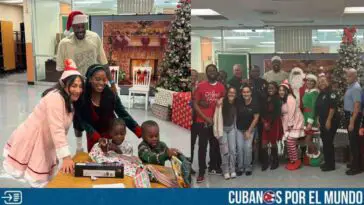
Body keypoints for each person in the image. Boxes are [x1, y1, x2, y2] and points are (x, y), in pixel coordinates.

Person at [2, 59, 84, 187]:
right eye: (74, 86)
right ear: (64, 85)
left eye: (80, 86)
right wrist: (66, 157)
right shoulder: (55, 98)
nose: (78, 90)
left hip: (46, 139)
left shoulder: (68, 100)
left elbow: (61, 129)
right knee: (36, 177)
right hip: (34, 138)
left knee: (40, 177)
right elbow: (57, 129)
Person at [73, 64, 142, 152]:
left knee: (112, 157)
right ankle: (79, 149)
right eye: (97, 79)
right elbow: (82, 120)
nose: (101, 83)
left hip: (109, 131)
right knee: (95, 159)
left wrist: (139, 130)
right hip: (92, 132)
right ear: (90, 79)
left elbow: (122, 113)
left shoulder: (111, 94)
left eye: (104, 80)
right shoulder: (82, 96)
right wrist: (96, 137)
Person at [56, 11, 117, 94]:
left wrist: (112, 84)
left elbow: (104, 64)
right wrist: (64, 90)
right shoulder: (64, 44)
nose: (80, 30)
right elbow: (60, 70)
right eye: (77, 27)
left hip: (92, 86)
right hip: (75, 88)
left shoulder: (94, 38)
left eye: (82, 27)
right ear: (72, 27)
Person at [194, 64, 225, 183]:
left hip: (216, 122)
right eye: (209, 71)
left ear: (217, 72)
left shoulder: (221, 87)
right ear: (206, 73)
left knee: (215, 146)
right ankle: (201, 171)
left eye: (214, 70)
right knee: (202, 147)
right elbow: (195, 104)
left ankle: (213, 167)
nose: (212, 72)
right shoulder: (201, 86)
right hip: (202, 122)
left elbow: (224, 102)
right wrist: (206, 119)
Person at [315, 76, 340, 171]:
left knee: (328, 142)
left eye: (323, 81)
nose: (321, 83)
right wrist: (318, 120)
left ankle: (331, 165)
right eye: (320, 81)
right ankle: (327, 162)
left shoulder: (331, 93)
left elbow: (332, 107)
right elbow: (318, 108)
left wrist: (328, 120)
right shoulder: (320, 94)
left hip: (331, 121)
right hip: (322, 121)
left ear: (327, 82)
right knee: (325, 142)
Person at [279, 80, 305, 171]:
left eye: (283, 90)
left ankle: (296, 161)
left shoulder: (290, 98)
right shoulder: (283, 99)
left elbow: (291, 112)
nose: (281, 91)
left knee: (290, 141)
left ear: (287, 90)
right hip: (288, 122)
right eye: (280, 90)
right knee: (289, 142)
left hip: (295, 121)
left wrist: (290, 124)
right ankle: (292, 160)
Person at [236, 85, 260, 176]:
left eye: (247, 92)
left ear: (250, 93)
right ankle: (240, 167)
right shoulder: (239, 101)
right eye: (244, 92)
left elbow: (256, 118)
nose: (246, 94)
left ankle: (248, 167)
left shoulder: (255, 103)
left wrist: (249, 131)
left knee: (248, 148)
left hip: (250, 129)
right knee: (240, 148)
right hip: (239, 129)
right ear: (242, 93)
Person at [343, 68, 362, 175]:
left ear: (355, 76)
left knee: (354, 142)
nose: (347, 78)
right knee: (352, 141)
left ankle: (356, 167)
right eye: (347, 75)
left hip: (352, 116)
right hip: (348, 115)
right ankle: (354, 162)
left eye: (349, 76)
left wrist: (352, 122)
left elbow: (357, 106)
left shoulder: (355, 88)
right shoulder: (350, 86)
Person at [260, 82, 283, 171]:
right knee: (264, 144)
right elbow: (261, 111)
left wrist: (269, 123)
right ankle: (266, 162)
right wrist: (264, 122)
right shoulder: (264, 98)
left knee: (273, 143)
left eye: (272, 88)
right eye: (269, 88)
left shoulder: (277, 99)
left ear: (276, 89)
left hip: (274, 123)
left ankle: (275, 161)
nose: (270, 89)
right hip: (265, 122)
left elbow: (277, 113)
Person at [302, 74, 321, 167]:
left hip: (311, 119)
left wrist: (310, 121)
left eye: (311, 81)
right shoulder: (307, 91)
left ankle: (318, 154)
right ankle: (311, 158)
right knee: (307, 140)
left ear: (314, 83)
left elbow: (314, 108)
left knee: (307, 140)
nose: (309, 82)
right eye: (308, 80)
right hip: (305, 117)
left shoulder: (315, 93)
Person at [219, 87, 238, 180]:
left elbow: (235, 117)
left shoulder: (236, 103)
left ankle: (232, 169)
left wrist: (234, 127)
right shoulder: (222, 102)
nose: (232, 94)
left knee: (233, 151)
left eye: (234, 93)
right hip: (222, 129)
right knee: (224, 151)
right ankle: (225, 170)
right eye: (230, 92)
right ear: (227, 93)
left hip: (231, 128)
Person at [190, 69, 199, 175]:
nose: (193, 77)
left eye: (195, 75)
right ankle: (188, 165)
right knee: (190, 144)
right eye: (191, 75)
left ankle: (190, 165)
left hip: (197, 119)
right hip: (188, 119)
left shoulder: (198, 87)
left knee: (193, 144)